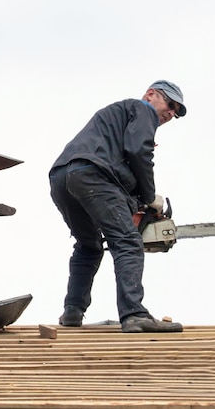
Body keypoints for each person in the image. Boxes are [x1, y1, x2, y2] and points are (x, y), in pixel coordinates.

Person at [48, 80, 186, 333]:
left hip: (62, 177)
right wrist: (149, 196)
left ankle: (73, 311)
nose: (171, 113)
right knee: (127, 242)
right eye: (170, 104)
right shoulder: (142, 110)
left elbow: (119, 168)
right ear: (150, 94)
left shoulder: (117, 121)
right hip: (93, 176)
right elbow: (139, 153)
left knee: (88, 246)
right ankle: (134, 314)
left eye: (175, 112)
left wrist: (133, 202)